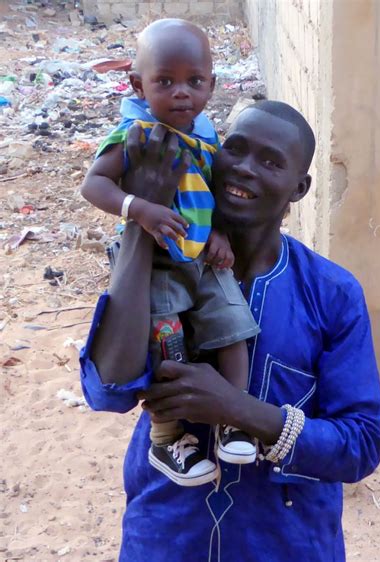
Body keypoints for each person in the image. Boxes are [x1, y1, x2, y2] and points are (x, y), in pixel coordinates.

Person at [80, 100, 380, 561]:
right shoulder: (161, 265)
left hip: (286, 543)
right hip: (167, 535)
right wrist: (143, 222)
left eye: (270, 162)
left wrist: (240, 410)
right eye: (236, 150)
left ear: (299, 188)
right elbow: (107, 390)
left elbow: (360, 445)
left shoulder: (331, 294)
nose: (244, 169)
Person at [80, 19, 260, 486]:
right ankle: (165, 437)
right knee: (167, 343)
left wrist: (219, 231)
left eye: (194, 82)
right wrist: (138, 208)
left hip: (199, 254)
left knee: (233, 325)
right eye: (165, 82)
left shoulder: (202, 132)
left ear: (211, 85)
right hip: (155, 263)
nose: (182, 93)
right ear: (138, 85)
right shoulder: (134, 134)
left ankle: (234, 418)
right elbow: (92, 185)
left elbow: (211, 189)